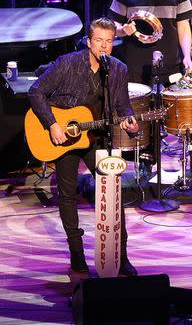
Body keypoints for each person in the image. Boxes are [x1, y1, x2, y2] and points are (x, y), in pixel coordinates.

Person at [28, 18, 139, 275]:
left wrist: (130, 122)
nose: (103, 46)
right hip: (64, 137)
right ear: (89, 42)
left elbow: (123, 106)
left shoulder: (118, 69)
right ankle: (77, 254)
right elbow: (36, 91)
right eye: (98, 40)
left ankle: (121, 256)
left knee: (113, 194)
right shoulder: (68, 63)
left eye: (109, 41)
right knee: (67, 196)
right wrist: (53, 124)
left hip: (96, 137)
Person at [108, 0, 192, 174]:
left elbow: (183, 27)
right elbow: (112, 23)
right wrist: (124, 30)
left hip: (170, 62)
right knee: (142, 113)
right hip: (136, 63)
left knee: (187, 106)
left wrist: (187, 56)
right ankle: (145, 160)